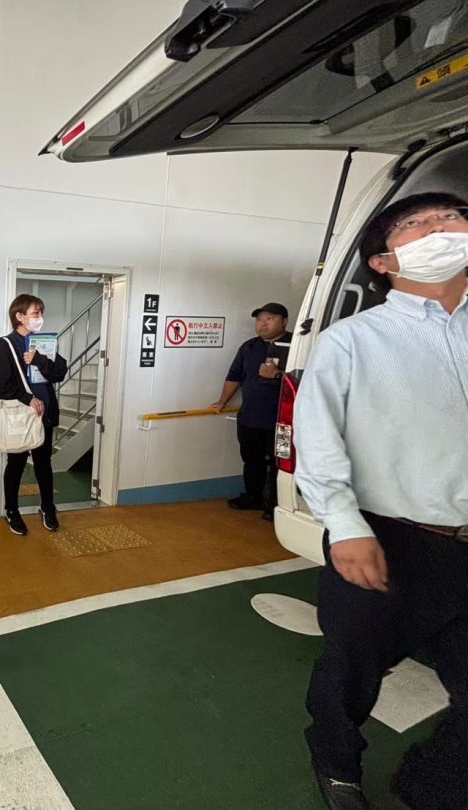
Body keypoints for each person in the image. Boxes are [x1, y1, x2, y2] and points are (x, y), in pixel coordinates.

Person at [295, 192, 468, 810]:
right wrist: (344, 526)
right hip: (388, 539)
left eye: (452, 217)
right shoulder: (351, 341)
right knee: (351, 671)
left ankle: (433, 783)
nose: (439, 228)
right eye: (414, 224)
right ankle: (337, 764)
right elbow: (319, 439)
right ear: (383, 262)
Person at [0, 294, 67, 535]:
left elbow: (59, 373)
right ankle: (12, 510)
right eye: (35, 313)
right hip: (19, 416)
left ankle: (47, 508)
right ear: (20, 316)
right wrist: (28, 399)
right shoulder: (3, 345)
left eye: (41, 313)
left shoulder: (44, 343)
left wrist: (38, 359)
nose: (40, 318)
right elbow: (0, 386)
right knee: (16, 463)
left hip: (45, 414)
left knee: (44, 463)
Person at [211, 302, 292, 521]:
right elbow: (234, 377)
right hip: (250, 417)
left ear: (284, 321)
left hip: (282, 421)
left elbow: (309, 378)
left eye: (270, 319)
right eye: (259, 320)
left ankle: (275, 506)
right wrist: (222, 401)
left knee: (279, 464)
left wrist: (277, 375)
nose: (263, 324)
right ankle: (253, 497)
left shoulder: (297, 345)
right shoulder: (249, 347)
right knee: (251, 460)